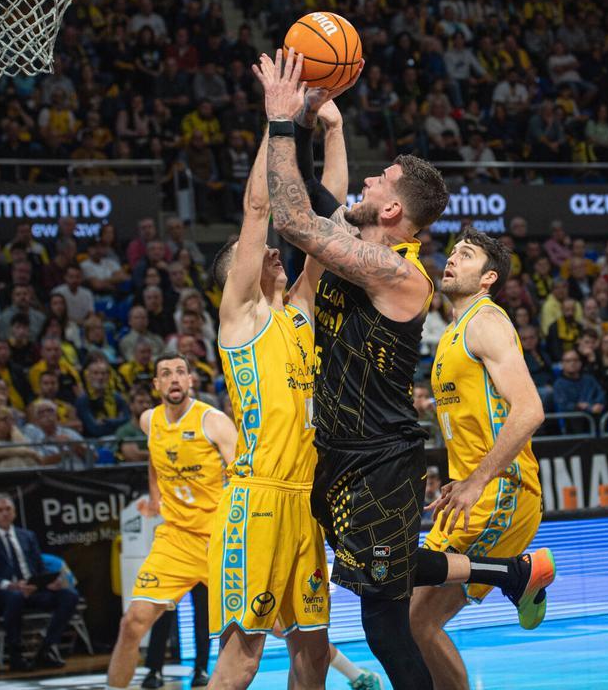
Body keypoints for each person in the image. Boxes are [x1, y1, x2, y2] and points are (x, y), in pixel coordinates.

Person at [259, 49, 548, 689]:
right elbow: (317, 201)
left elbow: (295, 219)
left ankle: (509, 572)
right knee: (379, 584)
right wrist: (318, 127)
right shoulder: (361, 247)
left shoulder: (401, 274)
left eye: (378, 182)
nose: (366, 184)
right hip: (337, 451)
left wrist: (280, 122)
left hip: (379, 461)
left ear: (392, 212)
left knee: (387, 625)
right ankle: (509, 574)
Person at [202, 114, 340, 686]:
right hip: (255, 503)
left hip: (304, 504)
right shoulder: (240, 318)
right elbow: (258, 210)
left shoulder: (299, 314)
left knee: (314, 654)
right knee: (244, 661)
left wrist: (332, 132)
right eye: (251, 253)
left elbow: (325, 228)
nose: (269, 253)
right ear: (233, 273)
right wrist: (275, 121)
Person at [412, 228, 552, 690]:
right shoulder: (453, 330)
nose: (452, 258)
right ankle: (520, 576)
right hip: (472, 494)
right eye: (452, 251)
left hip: (500, 493)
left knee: (416, 622)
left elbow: (529, 409)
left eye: (466, 255)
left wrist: (474, 481)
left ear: (488, 277)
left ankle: (522, 574)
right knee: (403, 616)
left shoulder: (485, 321)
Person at [104, 353, 235, 690]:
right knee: (132, 623)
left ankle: (354, 674)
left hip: (218, 539)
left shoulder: (214, 420)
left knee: (278, 623)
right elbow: (154, 457)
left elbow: (243, 475)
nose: (174, 378)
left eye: (180, 372)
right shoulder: (150, 420)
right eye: (166, 373)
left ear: (191, 380)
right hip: (176, 539)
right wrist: (155, 496)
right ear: (157, 384)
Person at [0, 496, 80, 670]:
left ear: (15, 512)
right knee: (15, 597)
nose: (4, 514)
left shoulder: (27, 536)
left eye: (8, 509)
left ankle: (46, 649)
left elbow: (40, 569)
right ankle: (15, 656)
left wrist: (47, 582)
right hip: (2, 593)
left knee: (69, 595)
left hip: (33, 589)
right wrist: (12, 585)